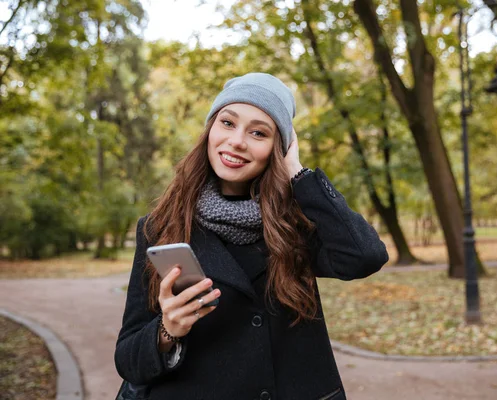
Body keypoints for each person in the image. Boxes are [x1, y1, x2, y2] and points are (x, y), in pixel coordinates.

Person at [114, 72, 389, 400]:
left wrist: (298, 173)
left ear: (278, 149)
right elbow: (128, 359)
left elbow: (365, 255)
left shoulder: (294, 224)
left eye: (259, 132)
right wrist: (166, 331)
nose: (237, 141)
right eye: (228, 123)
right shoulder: (159, 228)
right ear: (210, 130)